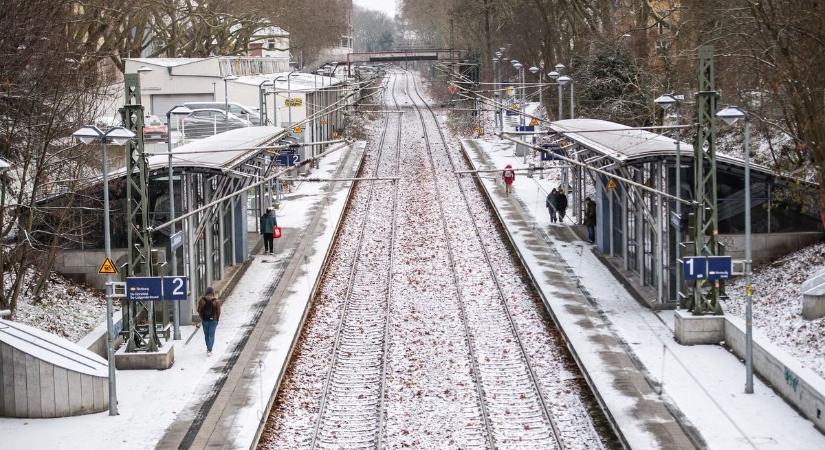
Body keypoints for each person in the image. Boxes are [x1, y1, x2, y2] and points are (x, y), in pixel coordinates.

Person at [197, 287, 221, 356]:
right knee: (211, 335)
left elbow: (198, 310)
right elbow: (218, 311)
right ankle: (209, 349)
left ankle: (208, 348)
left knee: (206, 335)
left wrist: (202, 317)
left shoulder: (202, 300)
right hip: (214, 320)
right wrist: (217, 319)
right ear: (212, 292)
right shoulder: (216, 301)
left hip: (205, 320)